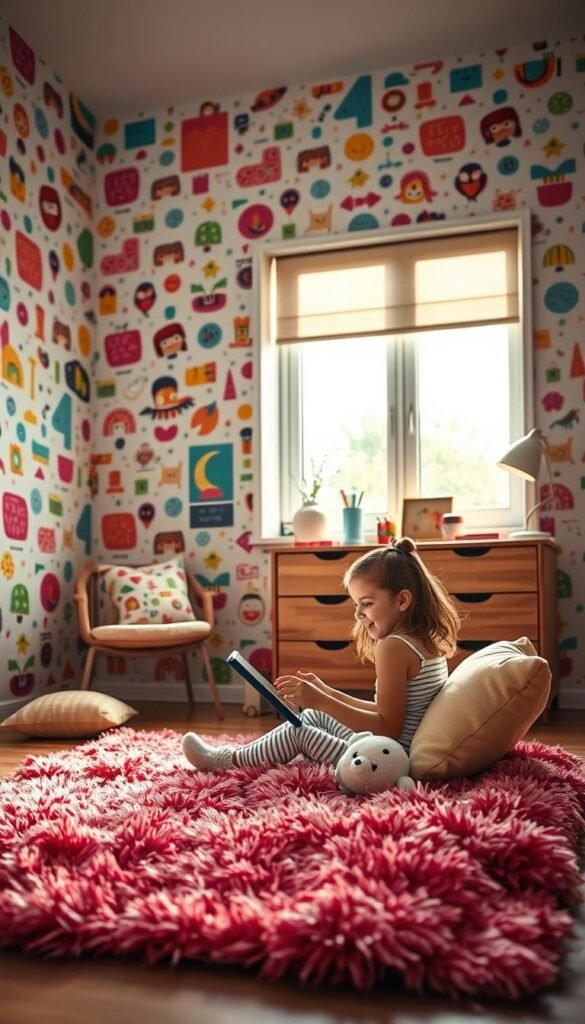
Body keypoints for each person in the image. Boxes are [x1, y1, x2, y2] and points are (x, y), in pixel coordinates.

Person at [182, 537, 460, 773]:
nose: (358, 613)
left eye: (367, 603)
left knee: (299, 730)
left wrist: (322, 700)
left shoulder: (394, 648)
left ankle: (225, 761)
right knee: (313, 715)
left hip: (386, 759)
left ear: (402, 600)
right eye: (355, 604)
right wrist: (327, 695)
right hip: (391, 750)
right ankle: (238, 753)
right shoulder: (423, 641)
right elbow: (385, 713)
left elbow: (388, 728)